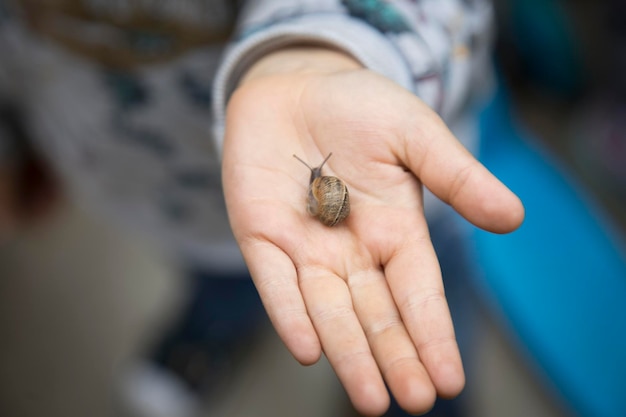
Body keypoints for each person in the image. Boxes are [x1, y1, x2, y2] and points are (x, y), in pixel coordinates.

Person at [0, 1, 524, 416]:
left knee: (410, 325)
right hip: (165, 196)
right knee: (228, 281)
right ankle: (212, 332)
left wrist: (317, 56)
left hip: (393, 194)